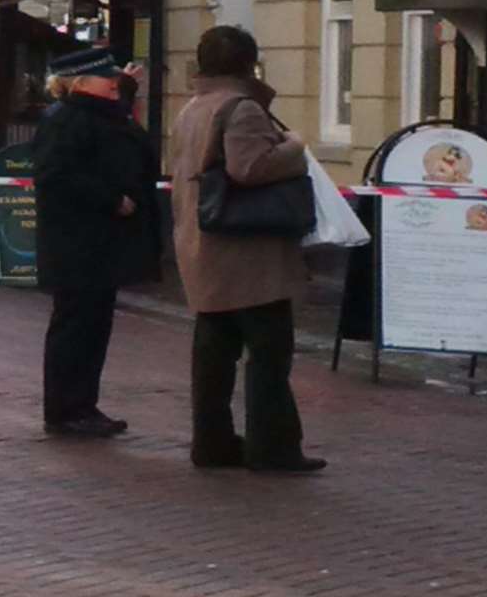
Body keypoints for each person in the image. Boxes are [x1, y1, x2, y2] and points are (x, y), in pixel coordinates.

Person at [169, 25, 324, 474]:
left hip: (204, 248)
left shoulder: (192, 109)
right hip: (250, 257)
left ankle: (212, 443)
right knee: (269, 356)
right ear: (248, 63)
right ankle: (272, 447)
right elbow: (248, 168)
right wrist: (294, 147)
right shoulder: (242, 109)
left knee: (214, 356)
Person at [31, 47, 162, 439]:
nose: (114, 82)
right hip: (78, 242)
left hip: (99, 243)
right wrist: (110, 199)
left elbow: (131, 146)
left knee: (94, 325)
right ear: (82, 82)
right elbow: (55, 175)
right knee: (75, 326)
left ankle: (82, 404)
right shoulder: (66, 120)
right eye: (107, 77)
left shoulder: (98, 114)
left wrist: (129, 93)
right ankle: (66, 409)